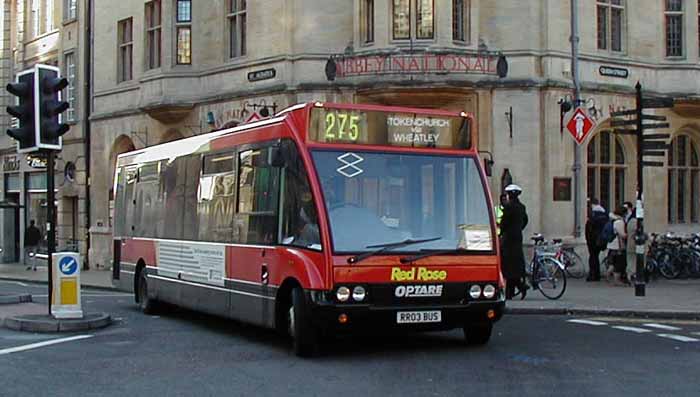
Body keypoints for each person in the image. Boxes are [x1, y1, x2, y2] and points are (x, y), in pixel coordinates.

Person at [500, 184, 529, 300]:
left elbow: (504, 223)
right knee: (515, 266)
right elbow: (525, 220)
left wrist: (501, 232)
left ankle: (518, 287)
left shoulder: (508, 207)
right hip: (518, 238)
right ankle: (511, 292)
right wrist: (519, 228)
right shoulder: (522, 207)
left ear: (510, 195)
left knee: (507, 266)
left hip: (508, 239)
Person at [585, 198, 607, 281]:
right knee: (595, 256)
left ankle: (593, 274)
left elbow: (590, 229)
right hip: (600, 239)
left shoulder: (593, 215)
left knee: (593, 257)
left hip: (593, 240)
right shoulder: (604, 214)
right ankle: (597, 274)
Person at [606, 206, 628, 286]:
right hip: (618, 245)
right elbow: (622, 234)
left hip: (612, 244)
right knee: (618, 263)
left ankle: (609, 277)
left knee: (612, 262)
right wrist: (627, 235)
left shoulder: (613, 219)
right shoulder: (619, 222)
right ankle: (616, 280)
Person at [625, 207, 639, 283]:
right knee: (634, 262)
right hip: (635, 245)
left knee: (630, 261)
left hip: (629, 244)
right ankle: (632, 277)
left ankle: (629, 276)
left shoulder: (630, 221)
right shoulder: (636, 222)